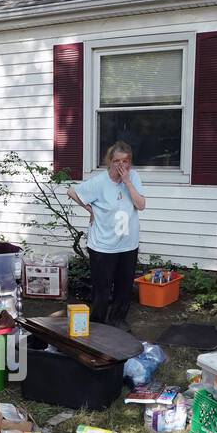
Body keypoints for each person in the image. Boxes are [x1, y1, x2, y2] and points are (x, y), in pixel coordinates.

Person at [67, 141, 146, 330]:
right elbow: (71, 191)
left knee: (124, 287)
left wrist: (127, 182)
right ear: (110, 161)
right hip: (103, 245)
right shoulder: (99, 182)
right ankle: (98, 324)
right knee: (102, 289)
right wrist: (89, 209)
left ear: (130, 163)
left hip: (128, 244)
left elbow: (141, 205)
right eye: (117, 160)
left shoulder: (133, 177)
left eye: (125, 161)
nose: (121, 165)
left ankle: (118, 320)